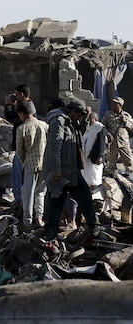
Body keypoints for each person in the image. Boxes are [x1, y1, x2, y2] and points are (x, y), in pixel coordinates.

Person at [44, 100, 98, 241]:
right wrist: (56, 170)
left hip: (70, 170)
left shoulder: (69, 121)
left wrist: (85, 120)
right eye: (79, 116)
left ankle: (93, 226)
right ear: (72, 111)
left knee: (83, 196)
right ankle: (51, 233)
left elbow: (79, 133)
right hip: (61, 171)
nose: (79, 119)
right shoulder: (59, 121)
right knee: (57, 200)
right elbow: (54, 147)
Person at [15, 102, 47, 228]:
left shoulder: (22, 128)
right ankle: (39, 217)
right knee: (40, 193)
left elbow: (20, 151)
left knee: (28, 194)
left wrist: (25, 163)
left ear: (22, 114)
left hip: (30, 164)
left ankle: (27, 221)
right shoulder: (44, 125)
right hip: (44, 164)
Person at [10, 84, 35, 208]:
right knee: (16, 177)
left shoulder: (25, 122)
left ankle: (22, 203)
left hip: (25, 154)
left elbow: (11, 117)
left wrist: (9, 106)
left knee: (20, 178)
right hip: (23, 153)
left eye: (17, 94)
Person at [101, 96, 133, 175]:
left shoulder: (126, 115)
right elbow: (102, 126)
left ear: (120, 105)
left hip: (123, 142)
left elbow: (132, 127)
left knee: (129, 161)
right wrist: (108, 133)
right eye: (113, 103)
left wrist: (125, 122)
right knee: (111, 162)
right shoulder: (108, 114)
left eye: (116, 104)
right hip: (113, 142)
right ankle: (112, 177)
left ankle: (130, 177)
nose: (113, 105)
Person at [81, 111, 106, 189]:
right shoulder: (88, 128)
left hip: (95, 157)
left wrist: (100, 156)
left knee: (94, 179)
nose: (89, 120)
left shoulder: (99, 127)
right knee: (87, 178)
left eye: (90, 118)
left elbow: (101, 142)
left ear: (95, 119)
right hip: (87, 157)